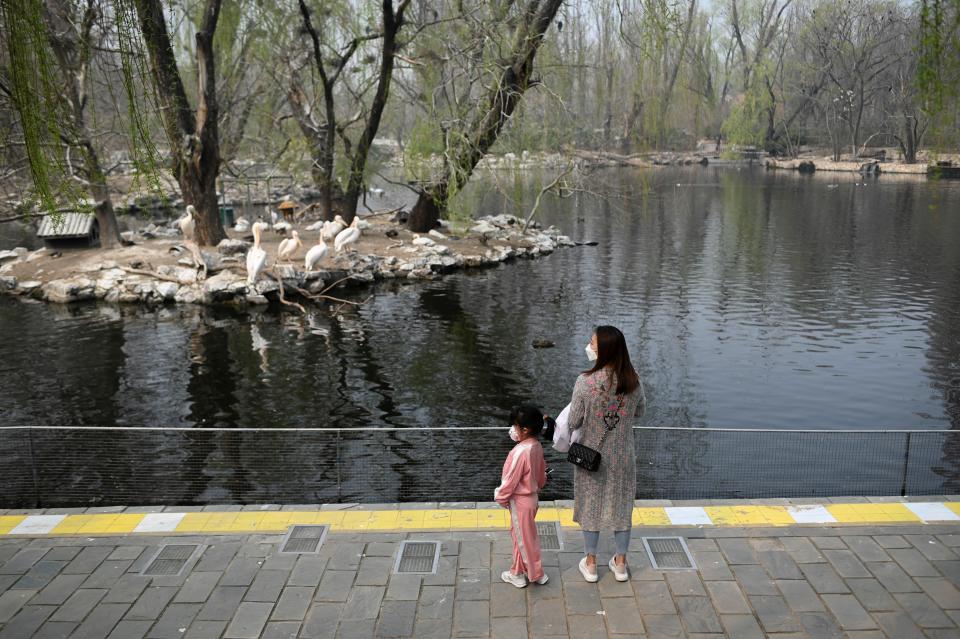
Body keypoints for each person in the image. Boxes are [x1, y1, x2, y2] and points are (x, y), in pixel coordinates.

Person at [569, 325, 646, 583]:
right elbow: (640, 412)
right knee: (622, 507)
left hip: (592, 456)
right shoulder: (633, 381)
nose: (589, 347)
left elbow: (573, 421)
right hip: (623, 456)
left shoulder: (585, 382)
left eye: (592, 343)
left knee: (592, 505)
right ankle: (621, 563)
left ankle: (591, 564)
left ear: (603, 350)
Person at [494, 404, 555, 588]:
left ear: (525, 429)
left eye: (515, 426)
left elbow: (510, 480)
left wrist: (501, 497)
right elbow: (540, 474)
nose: (513, 430)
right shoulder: (536, 446)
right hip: (532, 499)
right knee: (523, 536)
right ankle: (519, 571)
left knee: (523, 540)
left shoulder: (520, 452)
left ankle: (531, 574)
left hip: (520, 502)